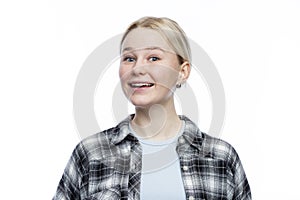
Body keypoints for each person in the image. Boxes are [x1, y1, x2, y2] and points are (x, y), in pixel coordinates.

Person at [53, 17, 251, 200]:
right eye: (129, 58)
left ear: (183, 71)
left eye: (154, 58)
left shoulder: (220, 157)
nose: (138, 68)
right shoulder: (91, 153)